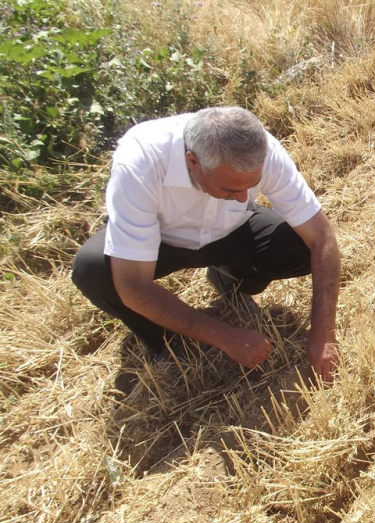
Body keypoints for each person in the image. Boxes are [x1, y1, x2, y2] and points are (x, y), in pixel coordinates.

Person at [72, 107, 341, 382]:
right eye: (230, 189)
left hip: (231, 231)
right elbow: (132, 285)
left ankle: (230, 280)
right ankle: (164, 342)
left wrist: (324, 333)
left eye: (251, 186)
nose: (243, 198)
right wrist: (225, 336)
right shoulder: (140, 163)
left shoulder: (261, 149)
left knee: (297, 247)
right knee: (93, 270)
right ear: (193, 161)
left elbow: (321, 237)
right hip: (163, 241)